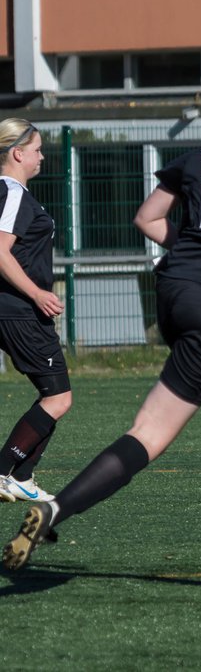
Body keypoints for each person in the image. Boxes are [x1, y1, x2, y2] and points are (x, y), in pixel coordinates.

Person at [3, 76, 201, 585]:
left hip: (176, 294)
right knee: (149, 435)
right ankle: (57, 510)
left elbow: (148, 218)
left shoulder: (200, 156)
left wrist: (196, 242)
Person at [0, 120, 71, 504]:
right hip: (20, 310)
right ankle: (2, 470)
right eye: (38, 149)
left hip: (14, 309)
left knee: (54, 395)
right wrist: (37, 293)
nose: (42, 156)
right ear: (18, 153)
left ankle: (22, 475)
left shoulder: (13, 195)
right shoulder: (11, 193)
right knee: (57, 398)